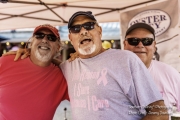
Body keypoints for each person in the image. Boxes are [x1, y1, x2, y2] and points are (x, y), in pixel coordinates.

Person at [4, 12, 168, 120]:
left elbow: (160, 112)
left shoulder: (126, 60)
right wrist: (28, 54)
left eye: (89, 26)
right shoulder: (67, 67)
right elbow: (48, 62)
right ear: (71, 38)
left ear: (100, 31)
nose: (83, 31)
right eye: (76, 28)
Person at [0, 24, 69, 120]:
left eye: (51, 38)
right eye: (39, 36)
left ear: (58, 47)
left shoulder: (63, 77)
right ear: (31, 43)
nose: (44, 40)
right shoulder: (6, 61)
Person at [123, 23, 180, 114]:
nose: (140, 45)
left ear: (154, 45)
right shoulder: (112, 74)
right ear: (125, 44)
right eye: (133, 40)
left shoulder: (170, 74)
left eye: (147, 41)